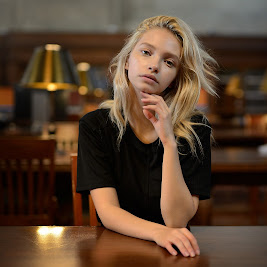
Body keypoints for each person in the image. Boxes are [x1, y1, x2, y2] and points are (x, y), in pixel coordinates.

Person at [76, 15, 218, 257]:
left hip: (174, 253)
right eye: (146, 52)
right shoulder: (95, 125)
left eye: (169, 62)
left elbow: (176, 221)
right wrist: (158, 233)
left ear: (174, 81)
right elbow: (108, 212)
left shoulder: (197, 127)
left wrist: (169, 141)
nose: (154, 65)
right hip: (114, 251)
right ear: (127, 61)